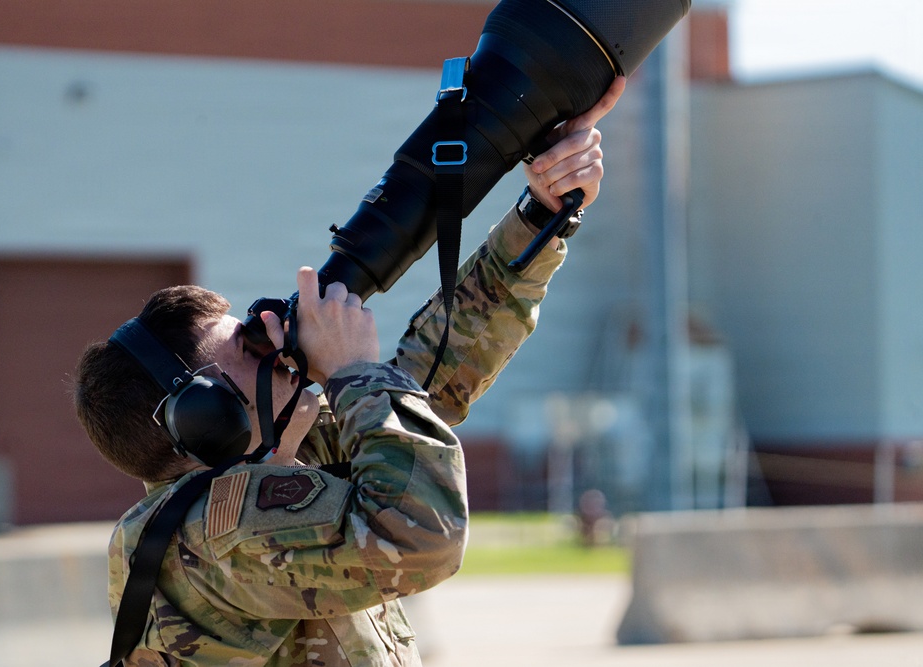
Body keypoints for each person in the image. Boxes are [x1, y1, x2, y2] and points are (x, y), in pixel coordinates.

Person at [74, 77, 625, 667]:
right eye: (247, 346)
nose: (277, 342)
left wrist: (542, 211)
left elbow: (430, 381)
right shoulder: (210, 533)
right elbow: (421, 534)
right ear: (204, 413)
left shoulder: (284, 464)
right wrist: (355, 371)